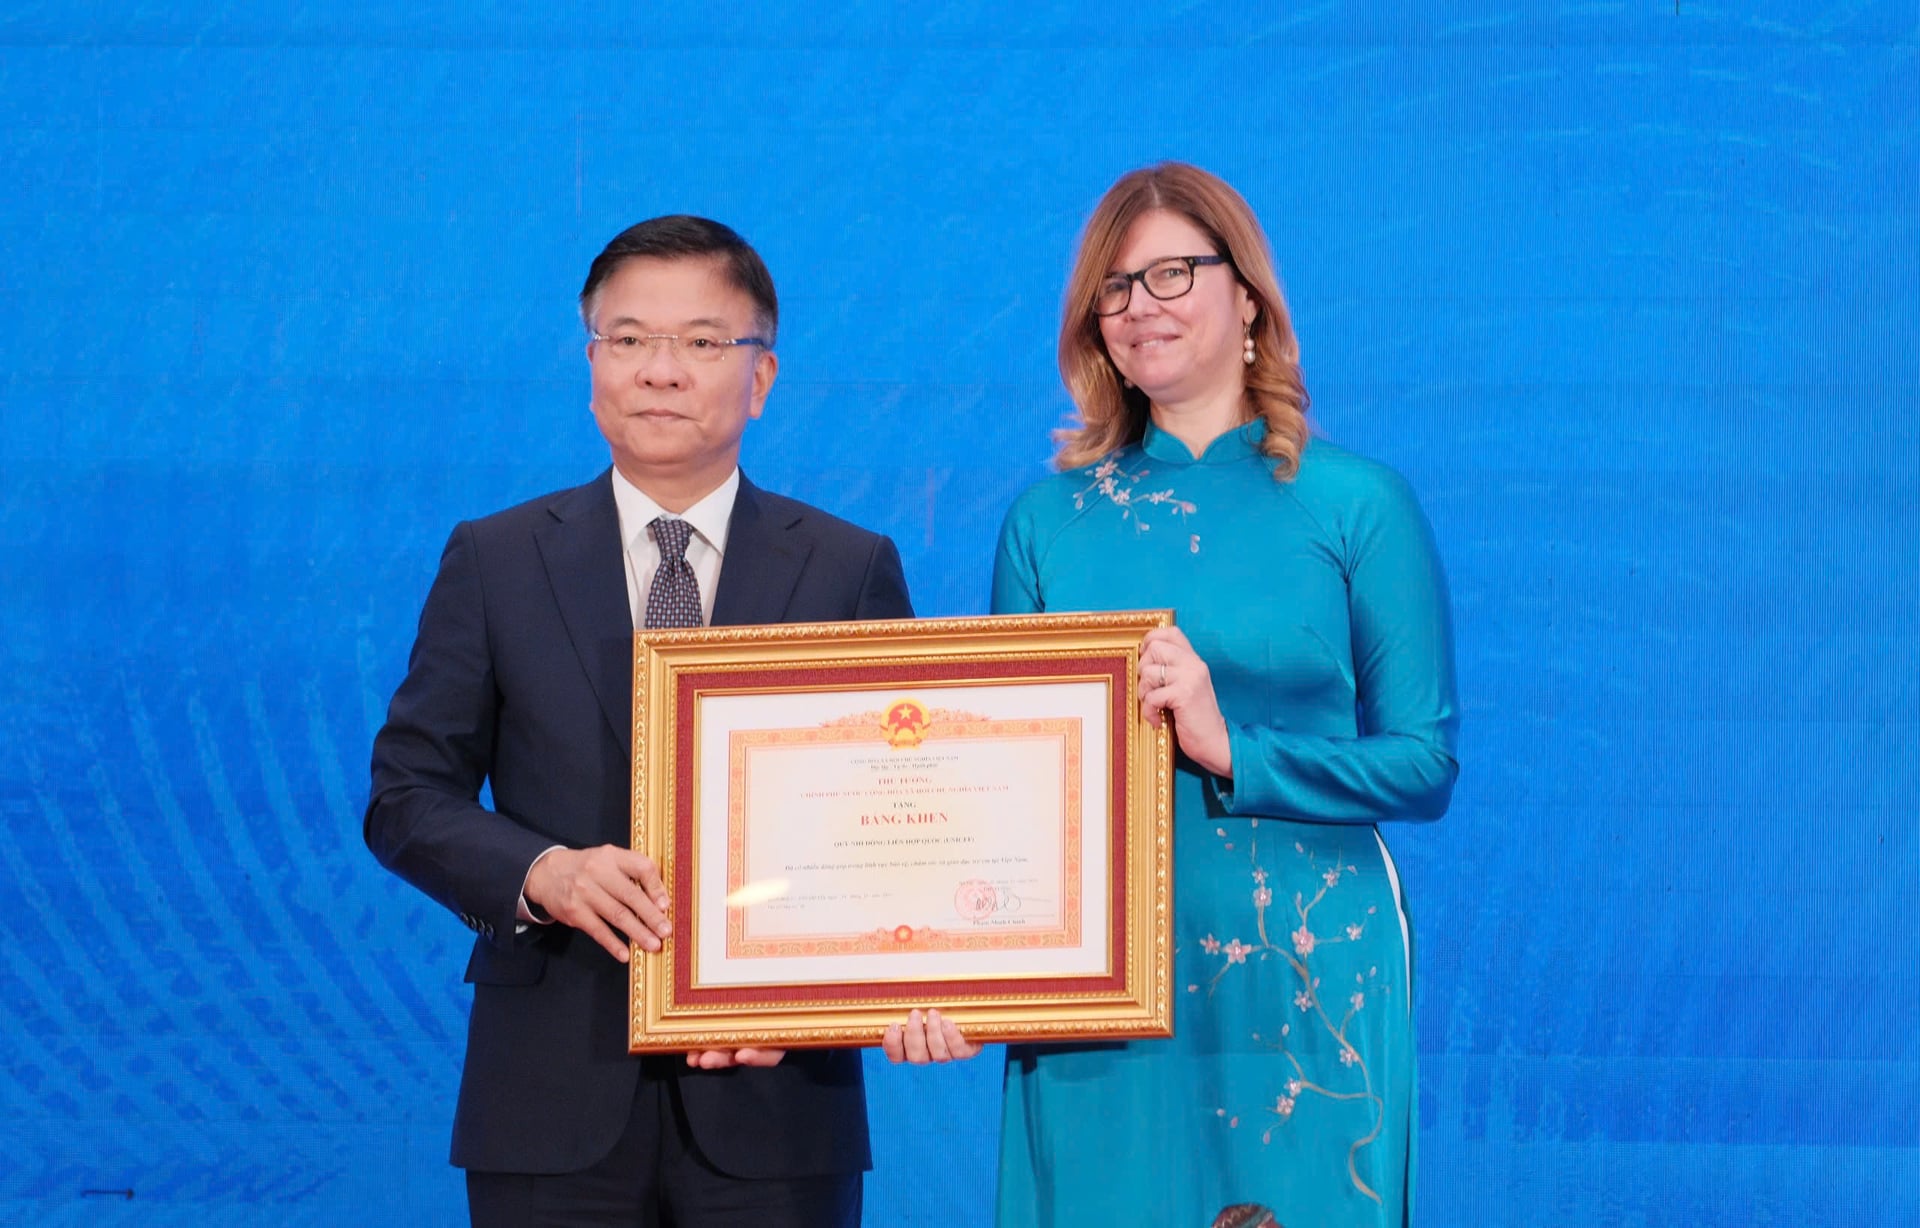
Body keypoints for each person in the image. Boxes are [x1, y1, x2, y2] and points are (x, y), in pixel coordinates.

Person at [365, 215, 964, 1227]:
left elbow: (904, 816)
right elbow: (406, 797)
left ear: (761, 377)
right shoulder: (496, 559)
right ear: (592, 366)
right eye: (630, 338)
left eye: (701, 340)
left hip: (779, 1095)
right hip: (547, 1092)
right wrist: (542, 872)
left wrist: (864, 989)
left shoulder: (847, 566)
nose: (661, 369)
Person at [991, 164, 1460, 1226]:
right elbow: (1010, 796)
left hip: (1305, 971)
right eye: (1114, 288)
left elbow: (1424, 763)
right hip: (1094, 982)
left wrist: (1231, 747)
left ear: (1247, 296)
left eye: (1171, 274)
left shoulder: (1357, 503)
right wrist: (947, 971)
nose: (1140, 306)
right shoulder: (1045, 522)